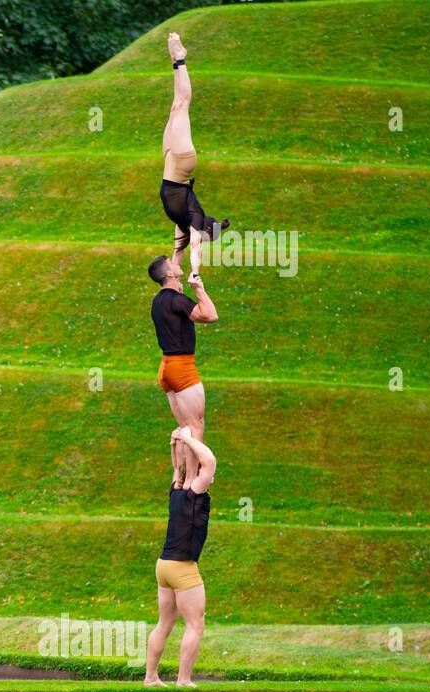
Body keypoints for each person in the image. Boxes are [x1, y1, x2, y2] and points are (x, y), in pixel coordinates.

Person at [144, 426, 215, 688]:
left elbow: (178, 468)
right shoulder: (195, 493)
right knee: (196, 625)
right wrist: (188, 438)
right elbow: (210, 461)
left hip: (163, 566)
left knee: (165, 622)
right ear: (199, 477)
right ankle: (183, 680)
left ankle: (151, 678)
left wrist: (176, 445)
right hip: (183, 568)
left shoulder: (176, 487)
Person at [158, 32, 229, 283]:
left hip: (170, 161)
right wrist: (195, 273)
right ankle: (180, 59)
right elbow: (195, 246)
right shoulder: (195, 218)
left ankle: (176, 63)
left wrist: (174, 277)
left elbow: (177, 254)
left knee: (175, 106)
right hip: (180, 165)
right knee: (182, 105)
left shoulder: (182, 225)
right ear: (205, 228)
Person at [147, 255, 218, 479]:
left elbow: (174, 259)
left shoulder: (159, 300)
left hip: (166, 367)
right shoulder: (176, 300)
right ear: (168, 273)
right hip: (182, 368)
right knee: (196, 428)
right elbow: (210, 315)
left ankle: (179, 479)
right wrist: (199, 289)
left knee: (185, 428)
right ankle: (191, 483)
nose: (178, 262)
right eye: (173, 263)